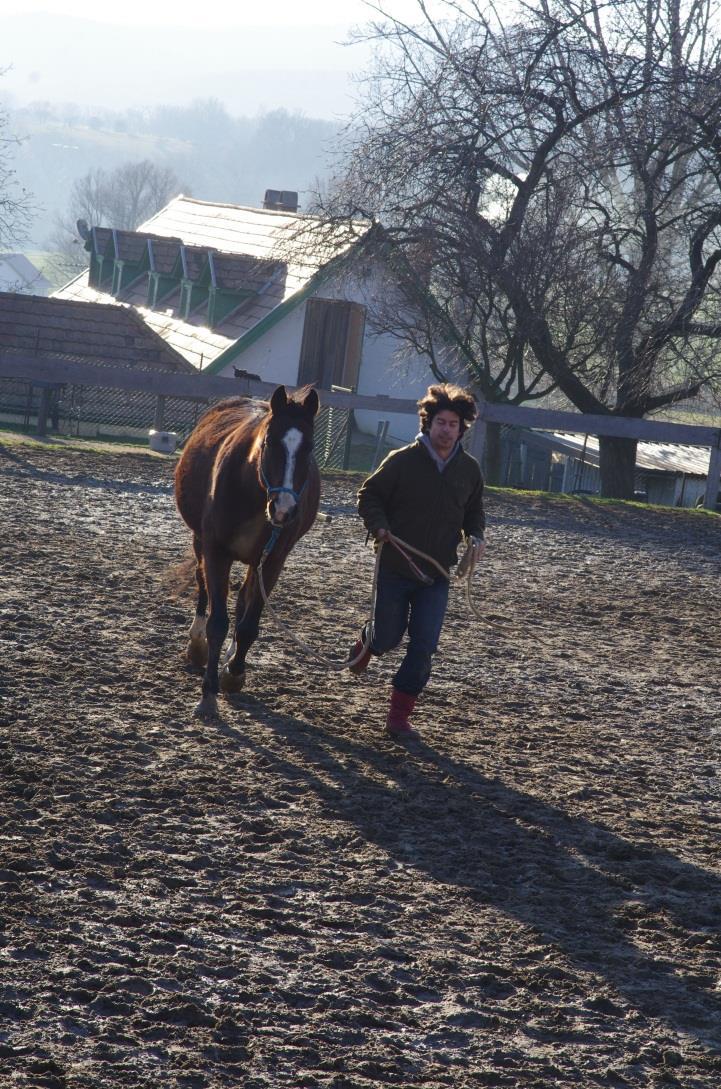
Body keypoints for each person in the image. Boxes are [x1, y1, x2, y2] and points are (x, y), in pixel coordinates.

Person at [349, 383, 486, 740]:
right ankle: (368, 642)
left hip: (437, 574)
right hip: (395, 567)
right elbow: (369, 495)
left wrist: (477, 537)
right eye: (441, 422)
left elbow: (474, 512)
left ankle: (398, 717)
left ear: (462, 428)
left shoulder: (469, 471)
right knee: (387, 637)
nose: (446, 429)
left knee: (424, 645)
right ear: (428, 423)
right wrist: (379, 526)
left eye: (453, 424)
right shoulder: (401, 461)